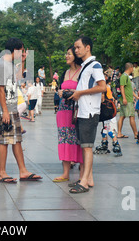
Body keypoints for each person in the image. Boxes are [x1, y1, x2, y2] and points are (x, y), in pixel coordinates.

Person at [0, 37, 42, 183]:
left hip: (12, 107)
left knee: (17, 140)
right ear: (15, 49)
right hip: (6, 109)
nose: (23, 53)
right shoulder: (1, 65)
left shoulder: (9, 64)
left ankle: (23, 171)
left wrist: (23, 61)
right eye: (22, 50)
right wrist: (5, 111)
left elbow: (19, 79)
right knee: (5, 140)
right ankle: (2, 173)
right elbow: (0, 89)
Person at [67, 36, 106, 193]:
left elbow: (102, 87)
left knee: (87, 147)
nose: (76, 50)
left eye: (78, 47)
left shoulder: (95, 65)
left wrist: (80, 93)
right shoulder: (86, 66)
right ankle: (88, 178)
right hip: (83, 110)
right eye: (75, 48)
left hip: (89, 111)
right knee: (84, 146)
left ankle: (84, 181)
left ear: (87, 47)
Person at [53, 46, 83, 183]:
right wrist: (60, 92)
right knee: (64, 139)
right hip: (63, 110)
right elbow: (61, 88)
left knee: (78, 140)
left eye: (69, 54)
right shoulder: (65, 72)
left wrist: (72, 91)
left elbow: (84, 90)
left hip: (76, 110)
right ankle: (65, 173)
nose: (66, 56)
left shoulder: (82, 71)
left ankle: (83, 175)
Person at [117, 63, 139, 139]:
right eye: (132, 68)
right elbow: (122, 87)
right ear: (130, 68)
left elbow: (130, 90)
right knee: (131, 116)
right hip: (127, 100)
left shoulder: (126, 77)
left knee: (122, 116)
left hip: (128, 99)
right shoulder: (124, 76)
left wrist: (136, 97)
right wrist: (124, 98)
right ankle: (136, 134)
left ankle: (119, 133)